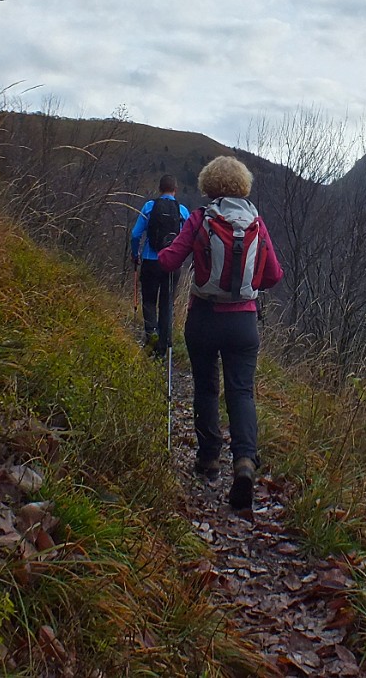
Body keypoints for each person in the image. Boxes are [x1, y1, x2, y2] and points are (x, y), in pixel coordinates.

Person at [156, 155, 283, 510]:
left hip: (205, 318)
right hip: (244, 323)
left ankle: (208, 458)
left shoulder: (200, 218)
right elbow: (273, 276)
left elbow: (168, 261)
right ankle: (244, 462)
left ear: (208, 185)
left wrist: (169, 245)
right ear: (243, 186)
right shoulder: (256, 221)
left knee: (206, 386)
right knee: (241, 393)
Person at [129, 175, 188, 358]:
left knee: (148, 300)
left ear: (160, 189)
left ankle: (151, 334)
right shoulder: (183, 211)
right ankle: (164, 346)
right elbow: (188, 238)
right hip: (172, 263)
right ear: (175, 189)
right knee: (167, 303)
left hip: (151, 260)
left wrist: (135, 254)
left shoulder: (149, 207)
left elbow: (135, 234)